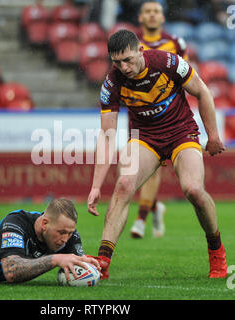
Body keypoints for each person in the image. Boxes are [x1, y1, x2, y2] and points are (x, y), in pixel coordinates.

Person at [87, 29, 228, 280]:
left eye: (128, 60)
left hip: (181, 132)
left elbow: (203, 91)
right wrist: (96, 186)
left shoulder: (169, 62)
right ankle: (103, 262)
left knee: (193, 190)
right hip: (145, 139)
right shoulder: (111, 83)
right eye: (117, 62)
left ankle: (216, 250)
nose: (124, 67)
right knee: (123, 184)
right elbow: (107, 135)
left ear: (140, 50)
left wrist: (213, 136)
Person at [0, 198, 99, 283]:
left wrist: (91, 265)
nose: (65, 239)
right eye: (62, 232)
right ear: (44, 224)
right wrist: (56, 259)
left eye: (70, 233)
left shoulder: (66, 234)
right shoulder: (16, 222)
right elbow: (11, 271)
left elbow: (79, 263)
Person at [130, 1, 188, 239]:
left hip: (168, 115)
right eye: (148, 11)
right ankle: (155, 207)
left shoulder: (175, 43)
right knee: (136, 170)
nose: (152, 15)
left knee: (153, 169)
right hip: (138, 113)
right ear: (140, 17)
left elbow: (185, 73)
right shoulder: (130, 43)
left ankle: (141, 219)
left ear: (162, 18)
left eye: (156, 11)